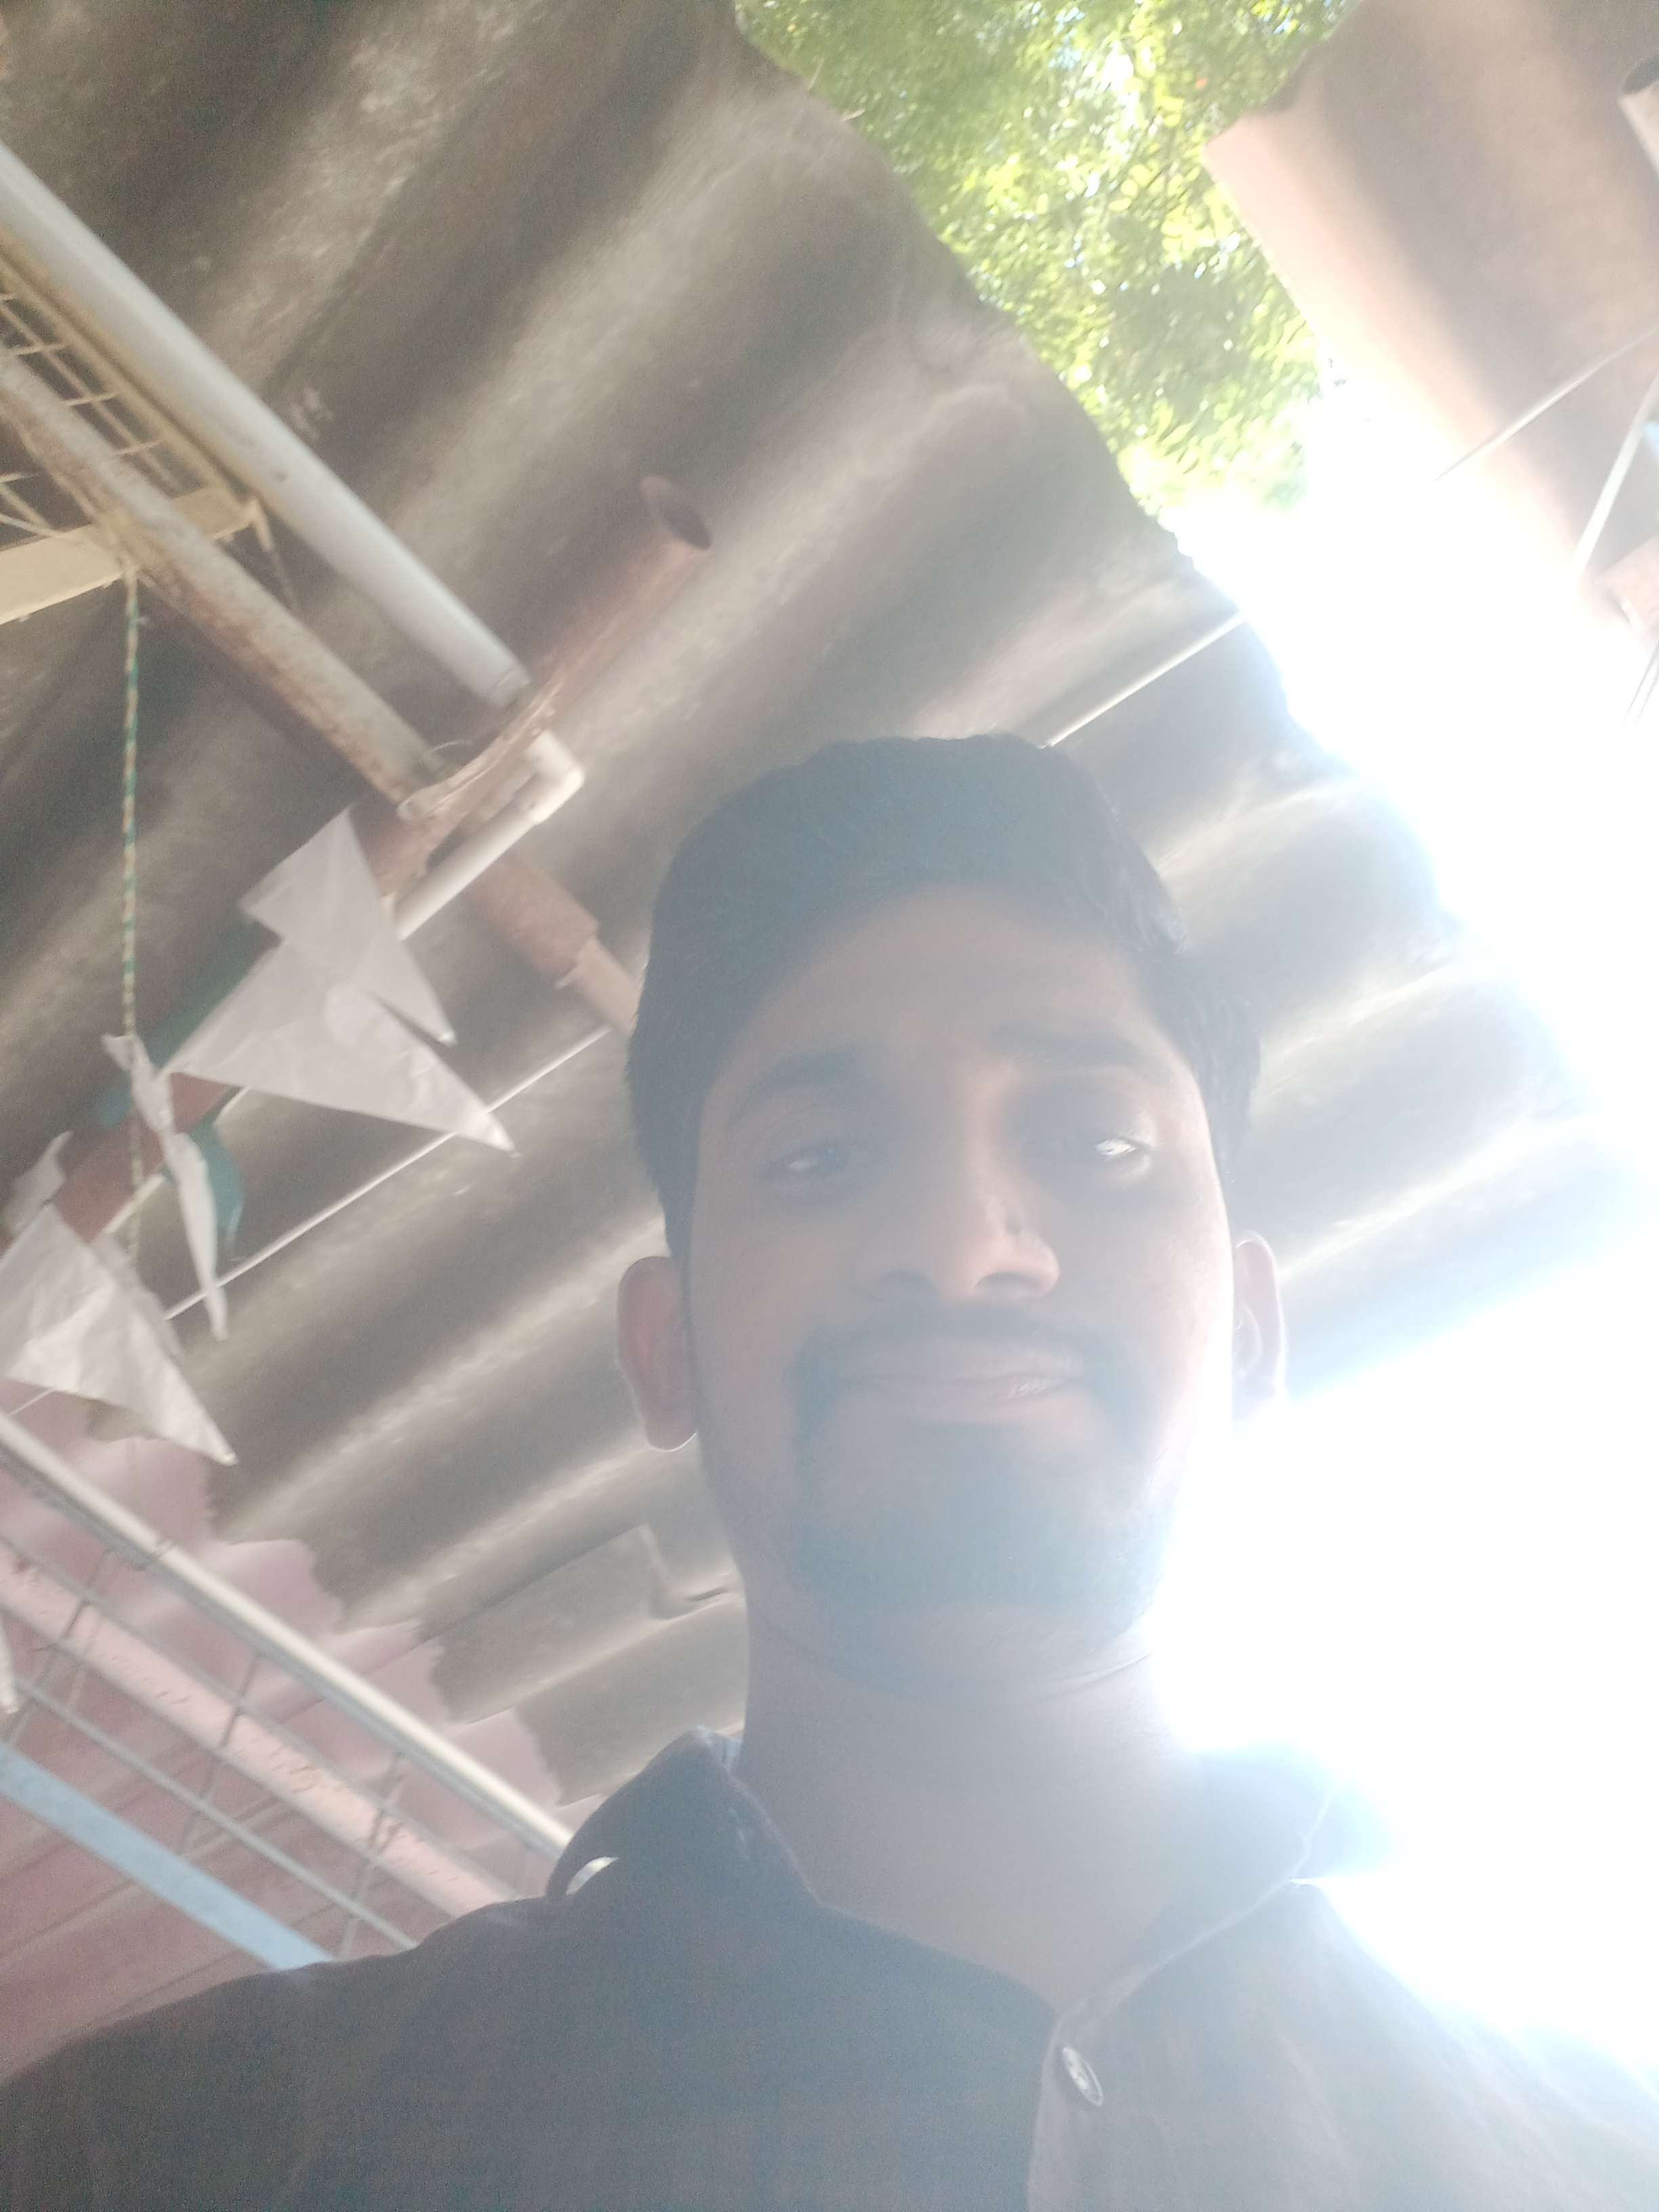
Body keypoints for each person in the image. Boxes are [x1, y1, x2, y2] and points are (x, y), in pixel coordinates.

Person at [2, 734, 1654, 2209]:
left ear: (1253, 1334)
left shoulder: (1604, 2158)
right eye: (818, 1157)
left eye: (1096, 1143)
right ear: (668, 1351)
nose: (963, 1244)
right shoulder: (184, 2151)